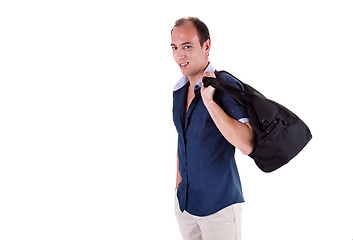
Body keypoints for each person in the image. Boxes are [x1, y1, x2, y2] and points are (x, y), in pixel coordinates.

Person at [171, 17, 255, 240]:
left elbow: (247, 143)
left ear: (206, 46)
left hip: (219, 207)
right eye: (175, 47)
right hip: (186, 204)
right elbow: (183, 140)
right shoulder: (179, 91)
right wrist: (178, 186)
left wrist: (210, 102)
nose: (180, 55)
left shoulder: (223, 86)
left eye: (187, 46)